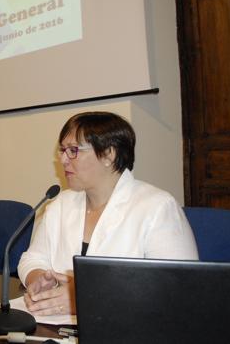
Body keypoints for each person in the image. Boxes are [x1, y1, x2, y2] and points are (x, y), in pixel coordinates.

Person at [17, 111, 198, 316]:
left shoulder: (157, 207)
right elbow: (32, 258)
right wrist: (38, 279)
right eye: (62, 150)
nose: (63, 159)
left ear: (108, 154)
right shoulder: (61, 204)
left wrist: (87, 298)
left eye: (73, 150)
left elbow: (177, 290)